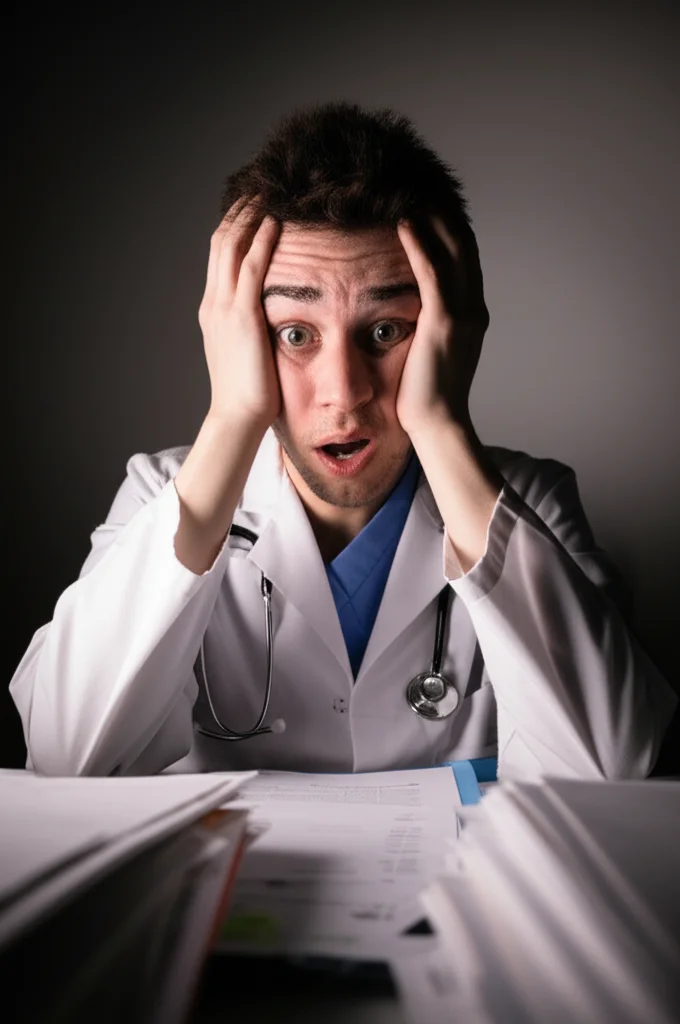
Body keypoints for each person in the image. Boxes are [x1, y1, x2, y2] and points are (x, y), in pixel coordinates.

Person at [10, 103, 676, 779]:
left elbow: (612, 771)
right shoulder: (164, 495)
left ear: (451, 333)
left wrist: (442, 425)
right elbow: (67, 758)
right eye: (295, 335)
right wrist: (235, 415)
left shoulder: (526, 502)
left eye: (386, 331)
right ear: (237, 336)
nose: (345, 391)